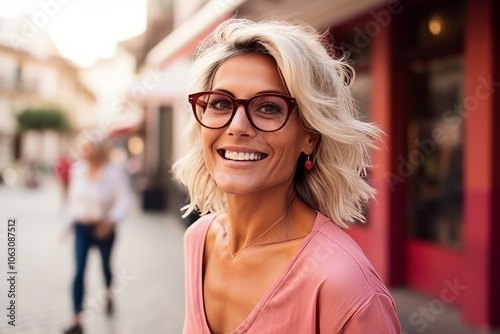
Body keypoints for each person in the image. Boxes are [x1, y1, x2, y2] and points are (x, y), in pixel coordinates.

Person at [172, 19, 401, 333]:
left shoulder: (343, 284)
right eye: (221, 103)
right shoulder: (198, 241)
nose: (237, 126)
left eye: (268, 107)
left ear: (309, 136)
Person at [63, 138, 132, 334]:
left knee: (105, 267)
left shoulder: (113, 172)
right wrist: (68, 224)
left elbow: (124, 199)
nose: (85, 152)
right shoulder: (77, 171)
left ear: (98, 150)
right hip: (82, 228)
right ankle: (76, 320)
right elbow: (74, 201)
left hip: (104, 227)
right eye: (82, 148)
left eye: (89, 148)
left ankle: (109, 294)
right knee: (79, 271)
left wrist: (111, 221)